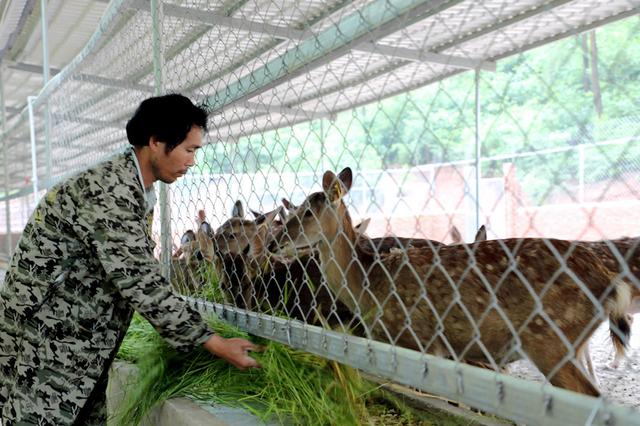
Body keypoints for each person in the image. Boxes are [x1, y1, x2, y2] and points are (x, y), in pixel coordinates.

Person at [0, 94, 259, 425]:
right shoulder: (109, 191)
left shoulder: (135, 188)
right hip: (46, 343)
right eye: (189, 149)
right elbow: (138, 279)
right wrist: (214, 342)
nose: (192, 161)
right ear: (155, 142)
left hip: (78, 342)